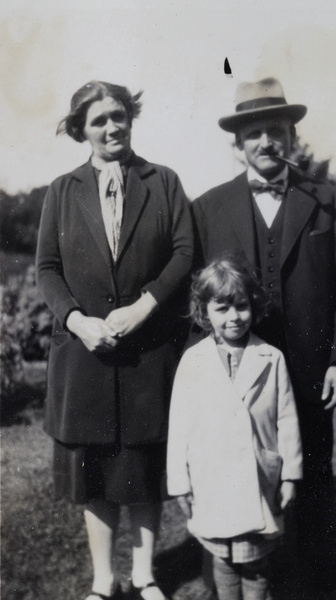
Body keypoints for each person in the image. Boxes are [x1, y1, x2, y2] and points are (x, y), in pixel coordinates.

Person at [192, 78, 336, 599]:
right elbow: (197, 295)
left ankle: (317, 583)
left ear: (291, 136)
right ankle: (227, 579)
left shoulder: (327, 200)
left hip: (312, 366)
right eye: (255, 133)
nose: (266, 141)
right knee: (234, 468)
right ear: (239, 143)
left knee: (312, 470)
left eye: (276, 131)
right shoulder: (208, 207)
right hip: (237, 371)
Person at [35, 80, 194, 600]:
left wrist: (146, 305)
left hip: (149, 352)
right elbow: (47, 268)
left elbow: (183, 252)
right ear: (80, 128)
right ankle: (104, 580)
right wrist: (78, 321)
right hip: (85, 357)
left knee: (145, 464)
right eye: (99, 119)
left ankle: (146, 575)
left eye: (119, 116)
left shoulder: (163, 182)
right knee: (96, 470)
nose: (112, 127)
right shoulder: (61, 191)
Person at [167, 258, 303, 600]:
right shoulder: (194, 361)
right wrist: (180, 482)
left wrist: (289, 475)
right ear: (204, 311)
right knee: (222, 561)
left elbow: (286, 418)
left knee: (256, 564)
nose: (233, 317)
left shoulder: (270, 357)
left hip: (258, 478)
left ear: (253, 306)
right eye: (222, 308)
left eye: (241, 306)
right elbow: (180, 424)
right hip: (212, 479)